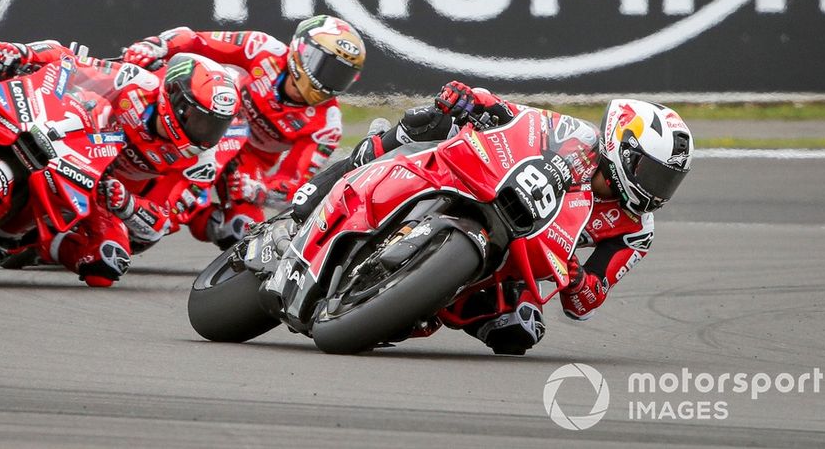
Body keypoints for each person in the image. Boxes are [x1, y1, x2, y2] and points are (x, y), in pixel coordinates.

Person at [291, 81, 693, 355]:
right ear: (620, 147)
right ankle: (336, 176)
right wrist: (474, 101)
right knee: (429, 121)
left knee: (521, 330)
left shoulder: (636, 230)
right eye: (652, 173)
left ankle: (397, 307)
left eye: (668, 181)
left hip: (517, 257)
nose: (657, 190)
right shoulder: (575, 134)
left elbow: (586, 303)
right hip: (483, 183)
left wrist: (574, 276)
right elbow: (513, 115)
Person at [0, 40, 242, 286]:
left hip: (102, 196)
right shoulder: (136, 81)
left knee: (108, 262)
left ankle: (41, 245)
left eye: (216, 126)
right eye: (201, 120)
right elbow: (69, 62)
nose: (207, 133)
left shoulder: (202, 163)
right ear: (176, 100)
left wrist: (127, 203)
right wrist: (26, 52)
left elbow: (161, 223)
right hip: (69, 147)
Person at [122, 15, 365, 248]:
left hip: (248, 166)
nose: (329, 81)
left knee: (245, 231)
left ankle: (208, 220)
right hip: (197, 128)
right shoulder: (262, 48)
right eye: (325, 67)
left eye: (340, 75)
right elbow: (197, 40)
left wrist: (261, 189)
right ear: (303, 50)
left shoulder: (328, 124)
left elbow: (295, 183)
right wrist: (158, 46)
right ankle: (139, 207)